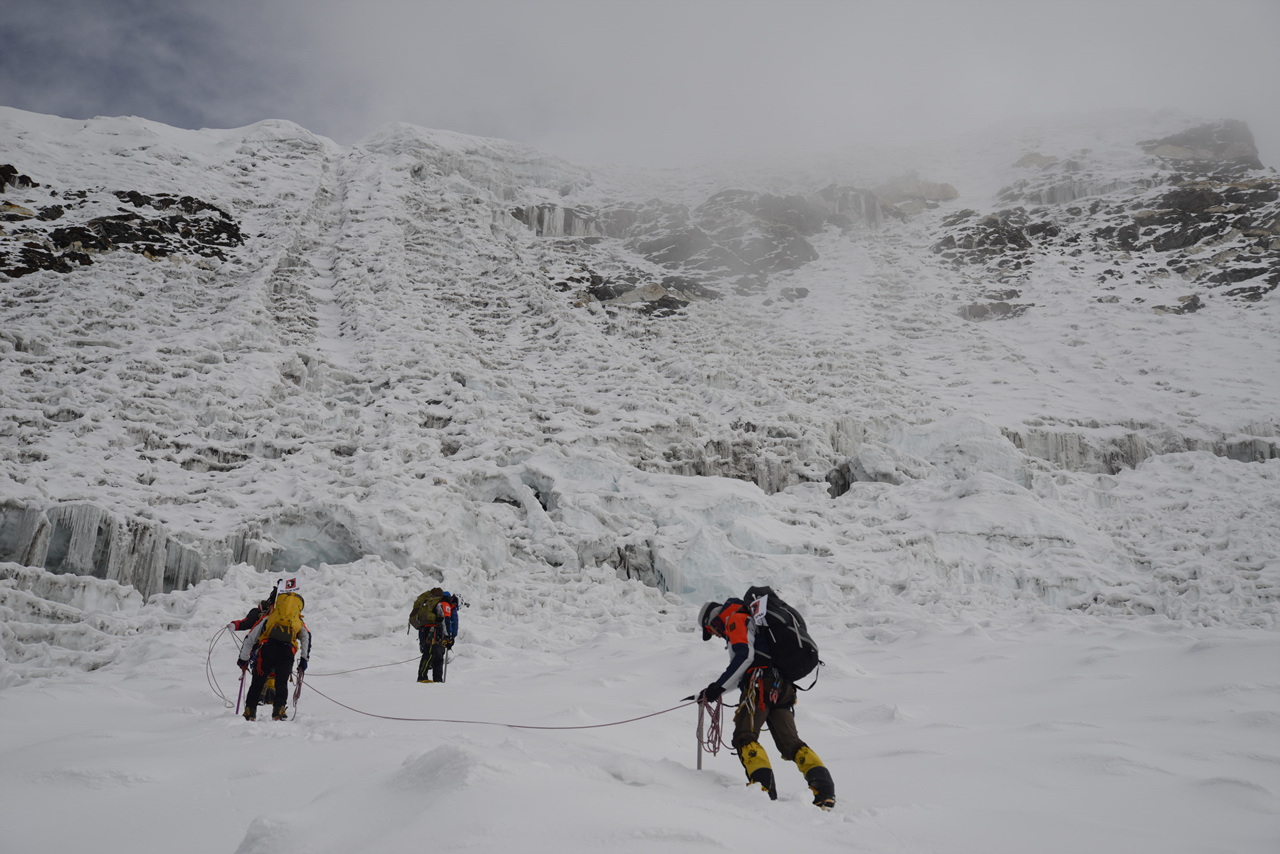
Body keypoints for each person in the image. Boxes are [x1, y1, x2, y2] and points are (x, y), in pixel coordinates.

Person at [697, 598, 835, 809]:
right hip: (783, 687)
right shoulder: (753, 620)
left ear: (713, 620)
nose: (715, 635)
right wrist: (715, 691)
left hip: (760, 685)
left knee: (745, 736)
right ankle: (824, 789)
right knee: (791, 742)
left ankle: (762, 791)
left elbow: (744, 657)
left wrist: (718, 686)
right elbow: (744, 669)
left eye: (711, 631)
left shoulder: (734, 620)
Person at [238, 577, 310, 721]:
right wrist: (303, 660)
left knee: (258, 682)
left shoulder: (270, 618)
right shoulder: (298, 621)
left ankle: (250, 711)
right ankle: (279, 711)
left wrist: (243, 659)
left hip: (267, 649)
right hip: (287, 652)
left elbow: (250, 637)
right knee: (281, 682)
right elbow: (306, 639)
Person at [409, 587, 458, 683]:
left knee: (436, 655)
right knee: (430, 653)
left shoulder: (439, 603)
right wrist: (447, 636)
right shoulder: (444, 604)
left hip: (433, 631)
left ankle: (436, 679)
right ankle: (423, 677)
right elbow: (445, 620)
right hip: (432, 630)